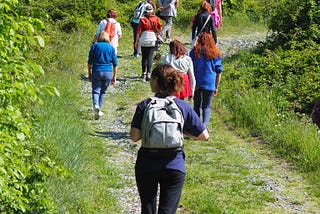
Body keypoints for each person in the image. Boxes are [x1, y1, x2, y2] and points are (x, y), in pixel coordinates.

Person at [130, 64, 209, 214]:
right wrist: (181, 131)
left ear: (156, 81)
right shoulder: (182, 106)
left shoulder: (145, 105)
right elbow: (204, 135)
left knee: (147, 209)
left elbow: (135, 137)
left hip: (147, 163)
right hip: (174, 164)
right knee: (167, 211)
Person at [189, 32, 222, 129]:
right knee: (206, 106)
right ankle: (205, 125)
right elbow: (219, 71)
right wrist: (216, 87)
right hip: (209, 82)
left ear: (199, 40)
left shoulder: (194, 52)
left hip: (197, 82)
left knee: (196, 105)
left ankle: (196, 125)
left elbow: (190, 67)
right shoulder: (215, 53)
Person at [88, 31, 118, 120]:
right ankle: (99, 109)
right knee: (103, 92)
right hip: (108, 72)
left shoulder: (94, 46)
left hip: (97, 70)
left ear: (99, 37)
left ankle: (96, 106)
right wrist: (114, 76)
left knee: (96, 91)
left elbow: (89, 62)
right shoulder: (111, 48)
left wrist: (89, 73)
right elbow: (115, 63)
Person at [135, 5, 162, 82]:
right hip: (152, 39)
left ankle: (143, 74)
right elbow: (160, 28)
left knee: (144, 57)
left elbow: (139, 31)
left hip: (144, 38)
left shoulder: (142, 19)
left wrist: (136, 41)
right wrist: (157, 34)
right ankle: (149, 74)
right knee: (150, 57)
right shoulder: (156, 19)